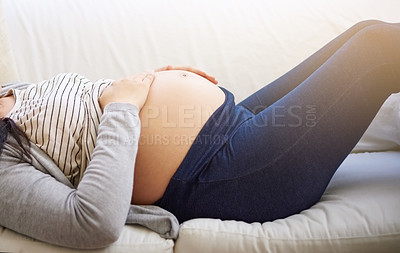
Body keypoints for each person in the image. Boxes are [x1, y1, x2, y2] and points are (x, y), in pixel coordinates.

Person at [0, 20, 399, 249]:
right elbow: (91, 222)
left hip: (235, 120)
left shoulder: (9, 90)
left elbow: (89, 117)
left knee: (365, 31)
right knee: (376, 48)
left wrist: (157, 81)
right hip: (228, 173)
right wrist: (125, 105)